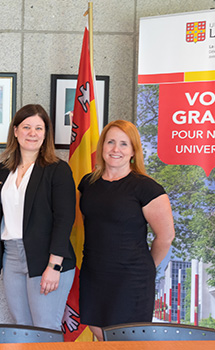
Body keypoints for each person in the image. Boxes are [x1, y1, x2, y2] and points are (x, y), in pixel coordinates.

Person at [78, 120, 175, 340]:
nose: (115, 149)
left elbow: (166, 236)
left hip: (131, 277)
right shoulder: (87, 184)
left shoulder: (147, 187)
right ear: (102, 146)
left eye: (123, 144)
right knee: (98, 331)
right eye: (110, 142)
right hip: (94, 272)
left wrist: (147, 266)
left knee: (126, 339)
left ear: (133, 151)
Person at [0, 104, 76, 331]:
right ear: (16, 131)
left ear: (46, 134)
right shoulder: (3, 170)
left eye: (39, 128)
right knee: (22, 328)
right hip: (12, 256)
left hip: (47, 257)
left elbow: (64, 218)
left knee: (45, 328)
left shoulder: (57, 169)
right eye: (27, 127)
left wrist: (54, 265)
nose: (32, 133)